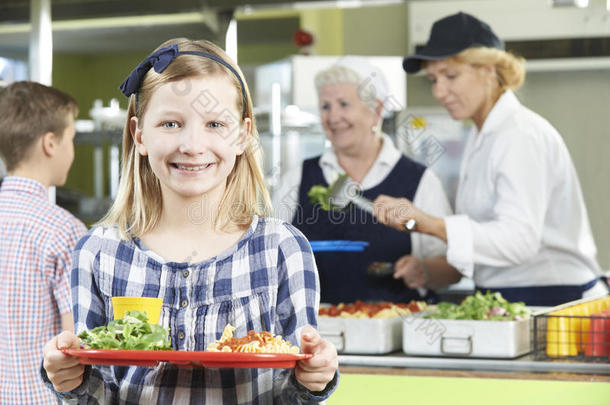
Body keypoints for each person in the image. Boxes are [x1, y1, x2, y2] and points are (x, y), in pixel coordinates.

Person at [41, 38, 338, 403]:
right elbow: (94, 395)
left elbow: (293, 390)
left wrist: (314, 378)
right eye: (170, 123)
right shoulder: (97, 252)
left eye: (215, 123)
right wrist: (70, 380)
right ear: (139, 135)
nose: (193, 145)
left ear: (243, 135)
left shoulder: (282, 249)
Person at [374, 12, 608, 306]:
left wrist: (430, 224)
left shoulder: (519, 134)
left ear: (489, 70)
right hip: (510, 298)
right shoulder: (482, 135)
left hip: (552, 299)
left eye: (450, 76)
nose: (439, 91)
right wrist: (427, 266)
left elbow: (518, 241)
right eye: (433, 79)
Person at [273, 56, 460, 305]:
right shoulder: (298, 177)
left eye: (344, 104)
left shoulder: (419, 180)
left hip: (395, 330)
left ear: (377, 111)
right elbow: (269, 254)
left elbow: (454, 268)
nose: (333, 116)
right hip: (314, 331)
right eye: (325, 106)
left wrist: (424, 270)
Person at [0, 81, 87, 404]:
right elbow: (75, 347)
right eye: (72, 139)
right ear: (50, 143)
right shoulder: (64, 231)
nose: (72, 151)